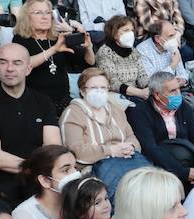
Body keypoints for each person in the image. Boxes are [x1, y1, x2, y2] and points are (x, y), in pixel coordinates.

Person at [0, 42, 62, 198]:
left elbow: (53, 147)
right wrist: (38, 170)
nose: (9, 68)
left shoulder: (43, 101)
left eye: (17, 63)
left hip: (39, 184)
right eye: (3, 62)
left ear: (29, 68)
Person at [60, 68, 149, 196]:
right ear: (82, 91)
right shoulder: (73, 113)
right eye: (94, 88)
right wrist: (111, 151)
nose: (99, 91)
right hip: (94, 170)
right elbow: (75, 151)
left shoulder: (116, 110)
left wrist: (130, 147)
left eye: (103, 87)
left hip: (127, 161)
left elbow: (131, 136)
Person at [127, 69, 194, 186]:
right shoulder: (140, 112)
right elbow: (151, 149)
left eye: (178, 89)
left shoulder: (183, 107)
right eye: (173, 91)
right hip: (160, 169)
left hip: (188, 161)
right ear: (157, 95)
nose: (178, 94)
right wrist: (183, 172)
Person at [15, 0, 94, 106]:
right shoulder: (20, 39)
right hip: (34, 101)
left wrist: (89, 48)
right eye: (38, 13)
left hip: (63, 99)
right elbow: (24, 65)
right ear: (27, 17)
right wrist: (54, 49)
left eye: (47, 13)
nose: (45, 17)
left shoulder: (58, 38)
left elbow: (89, 62)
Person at [95, 14, 152, 101]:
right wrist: (139, 93)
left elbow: (142, 76)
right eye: (126, 30)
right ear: (114, 33)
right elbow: (112, 82)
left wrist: (149, 88)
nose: (131, 34)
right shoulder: (105, 52)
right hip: (116, 96)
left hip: (137, 94)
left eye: (132, 30)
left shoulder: (133, 51)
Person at [136, 18, 190, 87]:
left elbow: (183, 73)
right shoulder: (142, 50)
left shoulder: (172, 47)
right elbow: (150, 82)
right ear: (158, 39)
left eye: (174, 34)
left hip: (175, 89)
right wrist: (173, 65)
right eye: (171, 36)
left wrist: (183, 80)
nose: (174, 39)